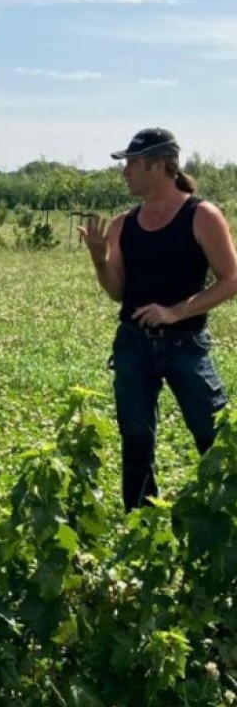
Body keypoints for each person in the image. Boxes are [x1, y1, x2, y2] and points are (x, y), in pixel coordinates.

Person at [79, 127, 237, 510]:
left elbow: (231, 279)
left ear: (158, 165)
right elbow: (118, 291)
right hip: (133, 345)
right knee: (136, 440)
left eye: (131, 164)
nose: (125, 172)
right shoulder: (124, 224)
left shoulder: (201, 216)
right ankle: (141, 524)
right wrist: (99, 260)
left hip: (186, 345)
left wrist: (175, 311)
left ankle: (227, 517)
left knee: (214, 435)